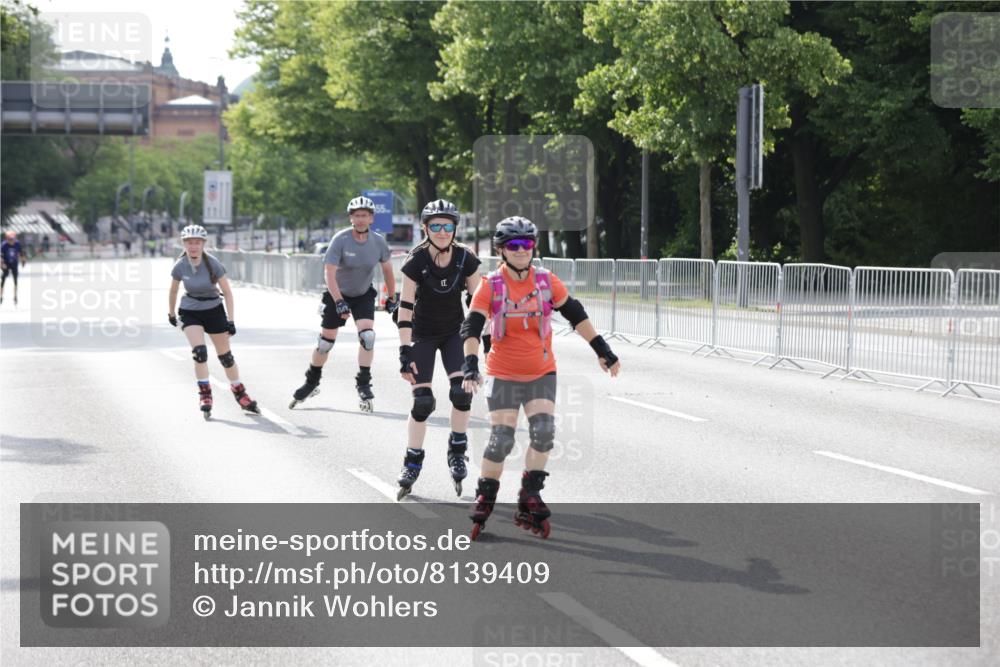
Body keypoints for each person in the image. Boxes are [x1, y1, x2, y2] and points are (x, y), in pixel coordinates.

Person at [459, 216, 622, 540]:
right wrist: (469, 364)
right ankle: (486, 496)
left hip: (540, 372)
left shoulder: (546, 281)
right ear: (502, 250)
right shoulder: (491, 285)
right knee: (501, 439)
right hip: (503, 373)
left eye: (527, 244)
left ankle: (529, 493)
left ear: (534, 247)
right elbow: (472, 327)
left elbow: (575, 314)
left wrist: (602, 349)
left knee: (544, 431)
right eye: (513, 245)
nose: (521, 250)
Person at [394, 199, 482, 500]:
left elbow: (478, 305)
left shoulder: (465, 258)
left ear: (455, 228)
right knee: (423, 403)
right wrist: (404, 351)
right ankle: (412, 460)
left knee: (462, 393)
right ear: (425, 228)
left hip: (454, 333)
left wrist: (485, 342)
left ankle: (457, 448)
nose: (442, 231)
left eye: (447, 226)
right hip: (422, 334)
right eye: (436, 226)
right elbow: (405, 307)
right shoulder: (415, 260)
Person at [289, 196, 398, 412]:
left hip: (363, 294)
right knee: (325, 343)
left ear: (371, 218)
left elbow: (387, 270)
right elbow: (329, 272)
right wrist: (338, 301)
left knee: (368, 337)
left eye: (364, 215)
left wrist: (392, 297)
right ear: (351, 218)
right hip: (337, 293)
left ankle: (364, 384)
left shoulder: (378, 242)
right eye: (356, 215)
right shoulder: (340, 239)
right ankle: (312, 382)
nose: (360, 219)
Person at [167, 224, 260, 420]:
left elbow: (227, 292)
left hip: (214, 310)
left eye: (197, 243)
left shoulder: (213, 263)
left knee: (225, 357)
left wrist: (231, 320)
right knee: (199, 353)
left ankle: (240, 393)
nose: (193, 246)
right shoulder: (180, 266)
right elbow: (173, 290)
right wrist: (171, 313)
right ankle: (205, 394)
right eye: (189, 243)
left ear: (203, 244)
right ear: (184, 244)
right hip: (190, 311)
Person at [1, 230, 26, 306]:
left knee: (15, 280)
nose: (12, 241)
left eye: (13, 239)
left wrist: (23, 260)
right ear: (7, 239)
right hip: (6, 263)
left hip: (14, 263)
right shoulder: (4, 245)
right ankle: (1, 296)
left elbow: (21, 253)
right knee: (3, 279)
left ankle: (15, 296)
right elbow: (0, 256)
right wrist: (2, 264)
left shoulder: (17, 244)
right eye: (10, 239)